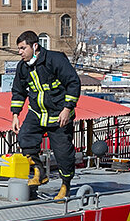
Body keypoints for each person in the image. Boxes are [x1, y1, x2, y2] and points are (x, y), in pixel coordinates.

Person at [11, 30, 81, 200]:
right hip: (37, 113)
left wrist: (67, 109)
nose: (20, 52)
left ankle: (65, 185)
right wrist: (15, 115)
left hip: (59, 116)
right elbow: (18, 92)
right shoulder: (22, 67)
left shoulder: (55, 60)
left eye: (22, 48)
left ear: (35, 46)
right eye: (19, 49)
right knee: (25, 138)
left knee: (63, 153)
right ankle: (39, 172)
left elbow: (73, 83)